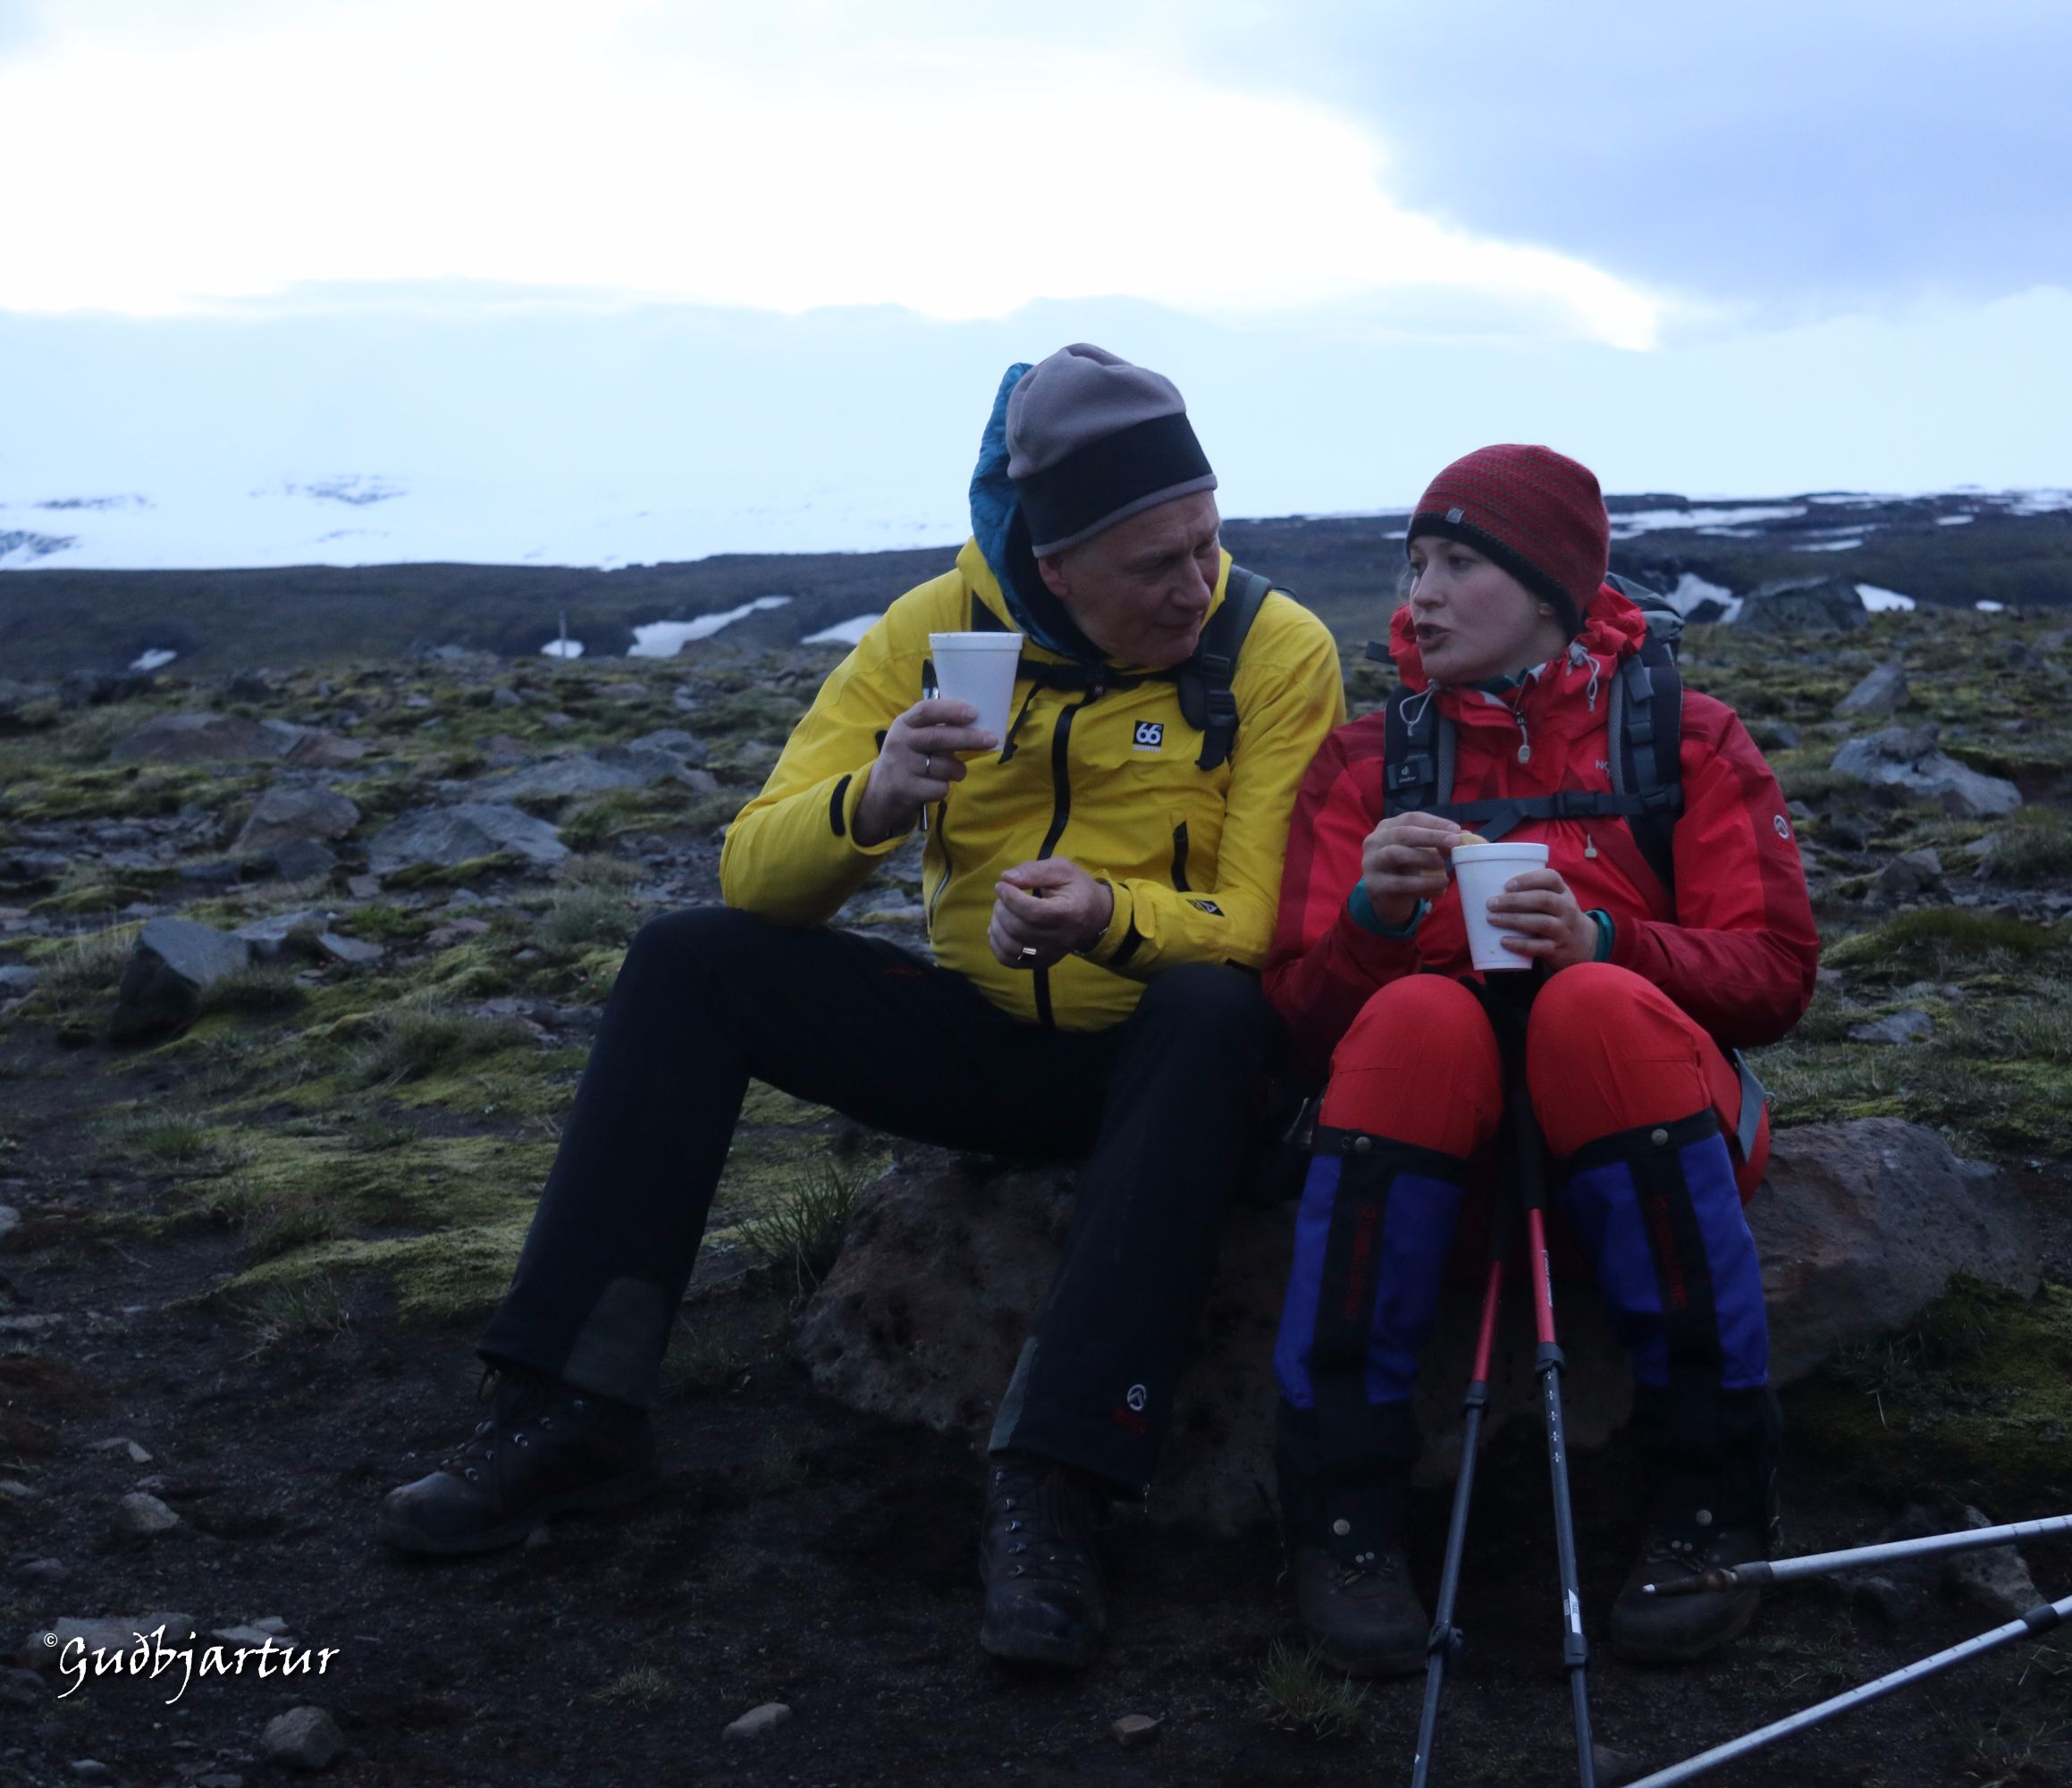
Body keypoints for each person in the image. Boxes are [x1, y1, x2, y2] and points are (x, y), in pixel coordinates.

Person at [376, 344, 1348, 1674]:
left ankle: (1057, 1487)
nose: (1197, 584)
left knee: (1213, 1012)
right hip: (984, 1041)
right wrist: (877, 799)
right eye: (1154, 565)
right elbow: (753, 872)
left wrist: (1110, 919)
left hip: (1172, 1069)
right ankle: (567, 1413)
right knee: (688, 961)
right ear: (1054, 566)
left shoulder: (1272, 649)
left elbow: (1264, 924)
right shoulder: (932, 634)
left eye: (1207, 541)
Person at [1262, 443, 1818, 1675]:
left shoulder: (1686, 740)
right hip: (1441, 1172)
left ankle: (1712, 1498)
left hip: (1643, 1137)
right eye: (1414, 564)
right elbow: (1299, 1025)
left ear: (1554, 589)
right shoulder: (1367, 763)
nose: (1421, 595)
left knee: (1593, 1007)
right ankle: (1343, 1518)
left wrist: (1607, 941)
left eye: (1458, 564)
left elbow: (1776, 973)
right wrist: (1374, 923)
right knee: (1416, 1017)